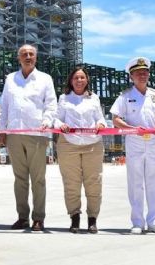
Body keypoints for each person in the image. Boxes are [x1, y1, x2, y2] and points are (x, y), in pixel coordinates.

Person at [0, 44, 57, 232]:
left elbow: (51, 105)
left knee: (38, 179)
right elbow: (5, 106)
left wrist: (47, 122)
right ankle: (22, 217)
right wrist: (2, 131)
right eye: (24, 54)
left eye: (31, 54)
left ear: (36, 58)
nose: (28, 57)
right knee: (19, 178)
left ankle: (38, 218)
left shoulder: (45, 79)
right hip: (15, 134)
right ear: (19, 58)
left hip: (37, 135)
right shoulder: (10, 79)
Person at [110, 56, 155, 235]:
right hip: (134, 142)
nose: (142, 76)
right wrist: (131, 128)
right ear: (131, 76)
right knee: (135, 183)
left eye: (145, 72)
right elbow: (115, 119)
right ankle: (137, 222)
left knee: (154, 183)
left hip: (153, 142)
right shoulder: (125, 96)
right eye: (138, 73)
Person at [54, 67, 107, 234]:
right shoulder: (64, 98)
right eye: (76, 77)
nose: (79, 80)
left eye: (82, 77)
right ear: (71, 80)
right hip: (69, 144)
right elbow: (56, 118)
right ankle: (74, 217)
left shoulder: (94, 98)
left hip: (92, 144)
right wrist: (60, 125)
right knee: (71, 183)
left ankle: (92, 219)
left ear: (87, 80)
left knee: (94, 183)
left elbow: (100, 118)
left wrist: (101, 124)